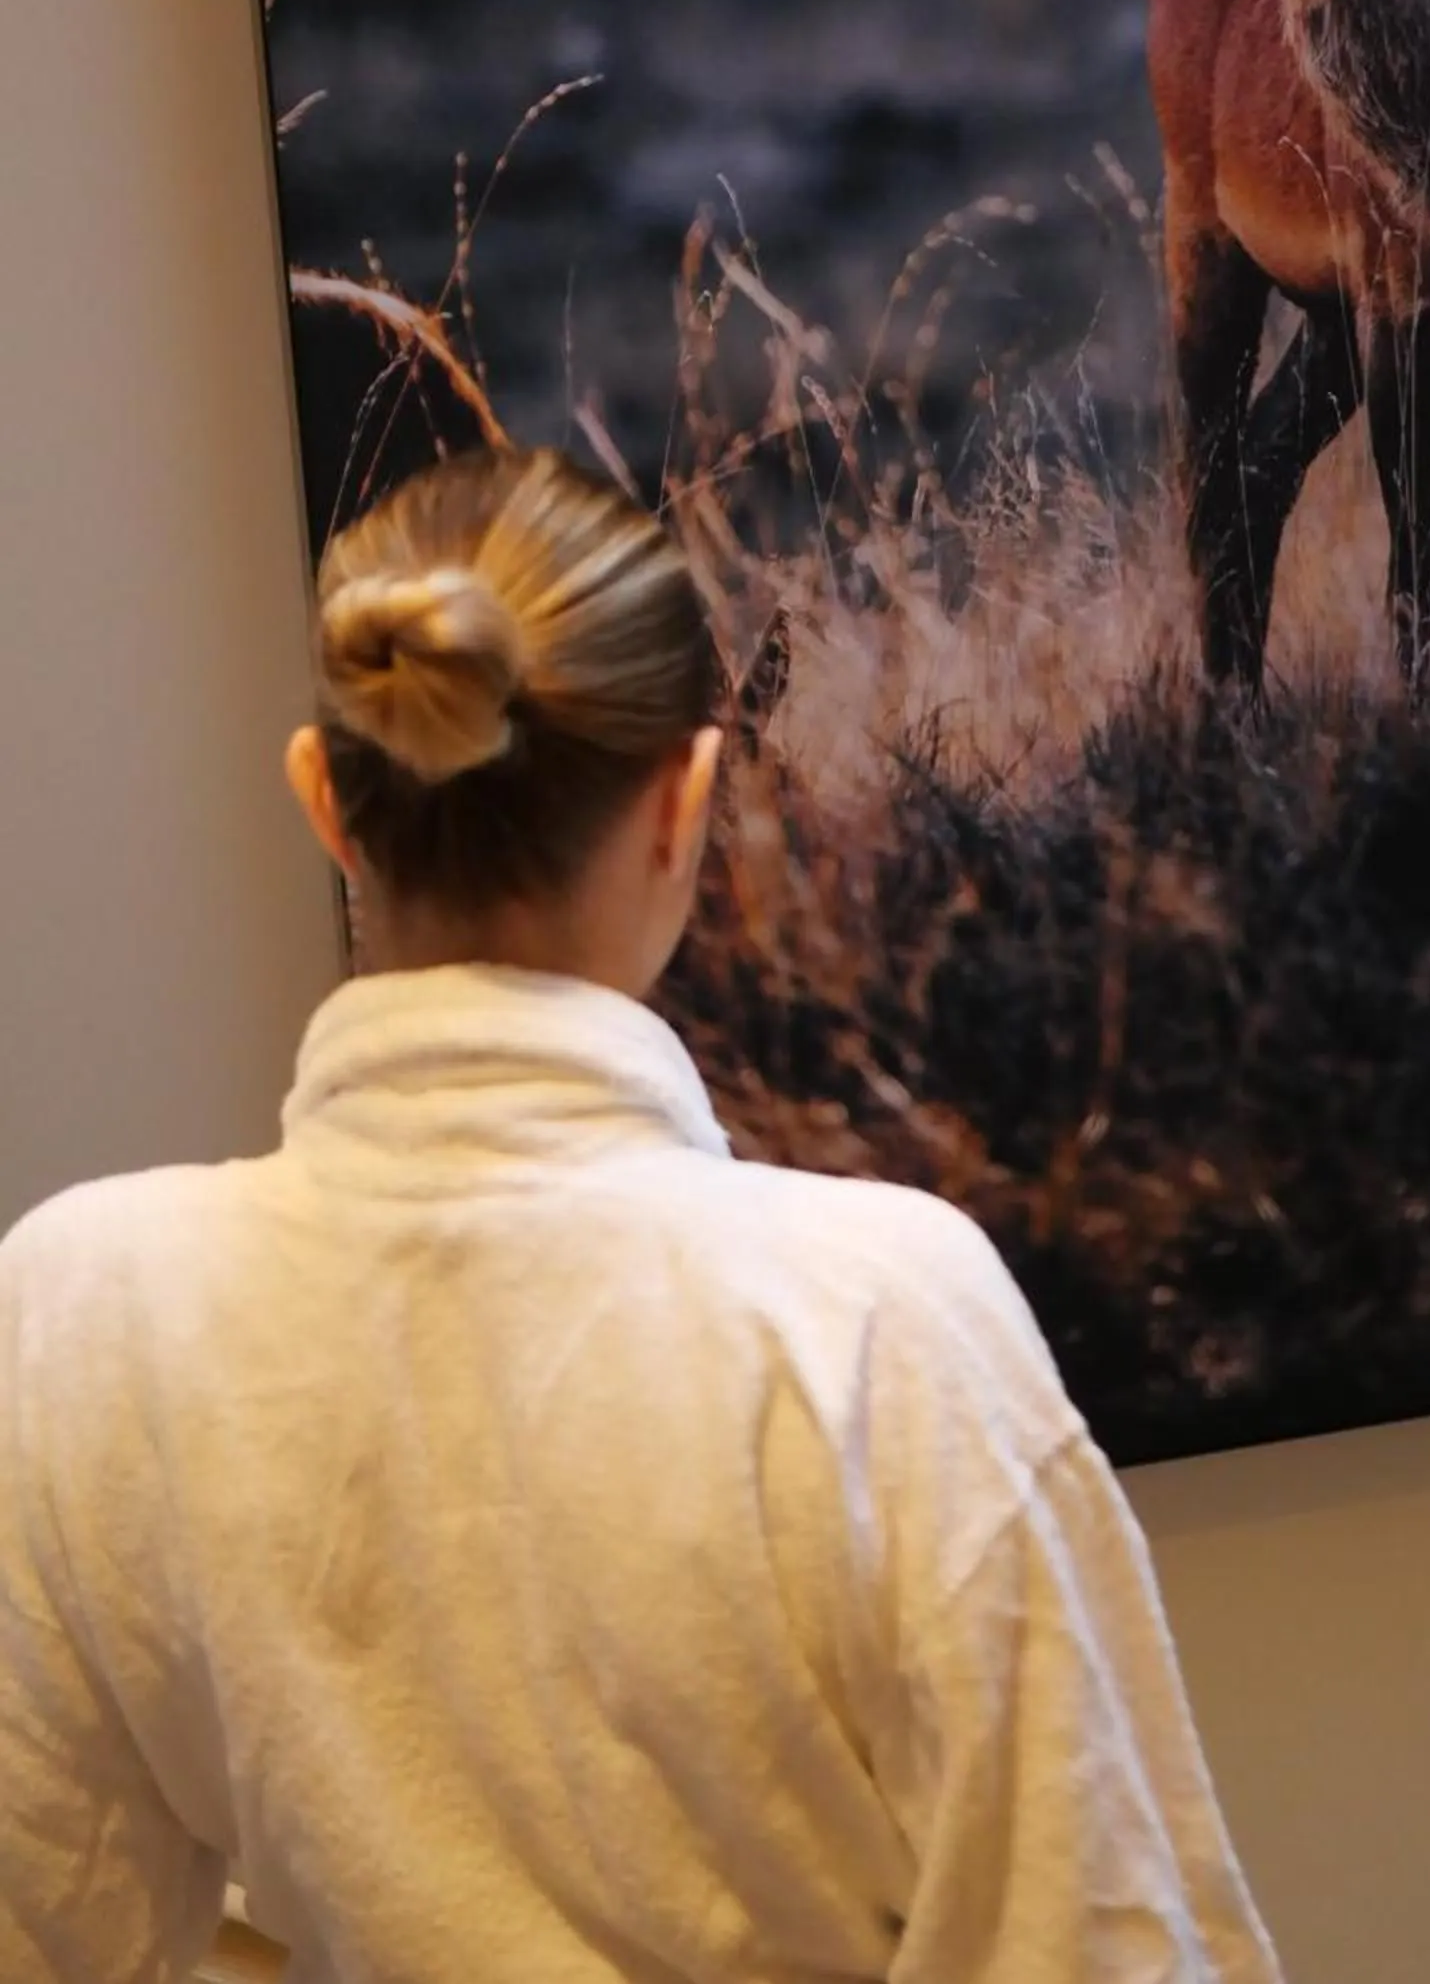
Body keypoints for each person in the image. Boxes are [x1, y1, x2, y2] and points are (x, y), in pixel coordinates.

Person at [0, 445, 1284, 1983]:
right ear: (686, 795)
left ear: (325, 804)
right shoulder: (874, 1317)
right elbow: (1099, 1951)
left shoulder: (74, 1306)